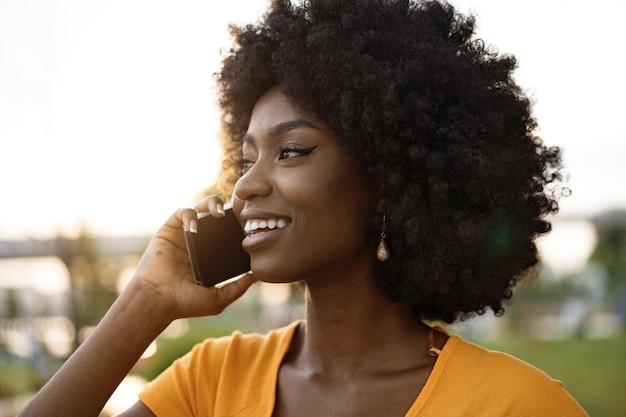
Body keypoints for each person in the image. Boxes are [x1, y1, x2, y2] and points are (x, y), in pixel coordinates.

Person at [19, 0, 588, 416]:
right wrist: (144, 305)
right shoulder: (212, 382)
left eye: (290, 151)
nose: (244, 189)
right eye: (245, 161)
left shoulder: (517, 404)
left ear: (388, 179)